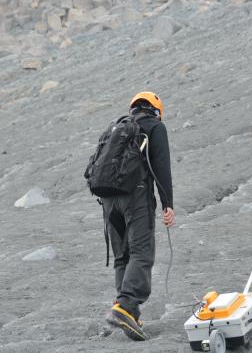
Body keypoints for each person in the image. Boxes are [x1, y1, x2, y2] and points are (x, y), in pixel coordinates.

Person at [102, 92, 175, 340]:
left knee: (123, 256)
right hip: (136, 196)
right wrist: (168, 204)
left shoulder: (116, 128)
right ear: (156, 110)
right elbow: (161, 166)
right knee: (142, 252)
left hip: (109, 200)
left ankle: (128, 310)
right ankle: (126, 306)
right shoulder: (154, 127)